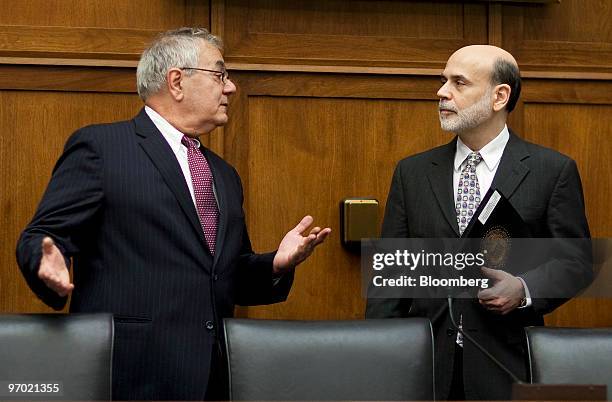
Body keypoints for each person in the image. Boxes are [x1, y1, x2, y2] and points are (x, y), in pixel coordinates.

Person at [16, 27, 331, 401]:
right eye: (220, 74)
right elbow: (41, 235)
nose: (230, 88)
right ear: (177, 81)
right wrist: (45, 262)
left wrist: (276, 265)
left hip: (214, 379)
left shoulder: (223, 175)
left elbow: (225, 276)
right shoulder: (103, 148)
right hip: (132, 376)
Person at [366, 45, 592, 400]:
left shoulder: (551, 171)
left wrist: (524, 289)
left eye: (459, 83)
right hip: (426, 371)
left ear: (499, 96)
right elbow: (392, 278)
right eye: (443, 81)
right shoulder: (412, 172)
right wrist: (378, 364)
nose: (442, 92)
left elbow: (577, 262)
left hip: (507, 366)